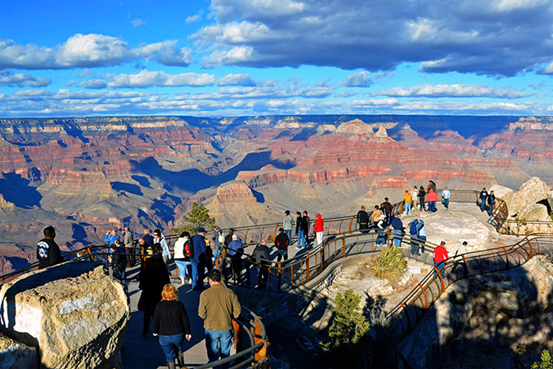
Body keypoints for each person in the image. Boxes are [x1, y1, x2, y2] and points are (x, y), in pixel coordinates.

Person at [198, 269, 242, 369]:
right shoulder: (230, 293)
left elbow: (201, 314)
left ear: (210, 280)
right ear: (220, 279)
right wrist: (232, 316)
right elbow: (237, 311)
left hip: (211, 328)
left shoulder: (205, 294)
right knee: (225, 353)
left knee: (213, 355)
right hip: (226, 326)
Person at [152, 284, 192, 369]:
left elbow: (156, 320)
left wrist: (155, 331)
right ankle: (182, 366)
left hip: (164, 334)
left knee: (169, 355)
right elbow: (185, 320)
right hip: (178, 333)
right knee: (179, 349)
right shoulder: (179, 305)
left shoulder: (159, 305)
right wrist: (188, 332)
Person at [138, 256, 170, 336]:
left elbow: (141, 285)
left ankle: (145, 330)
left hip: (147, 294)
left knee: (147, 314)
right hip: (157, 294)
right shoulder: (159, 271)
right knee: (156, 313)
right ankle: (157, 329)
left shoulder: (144, 272)